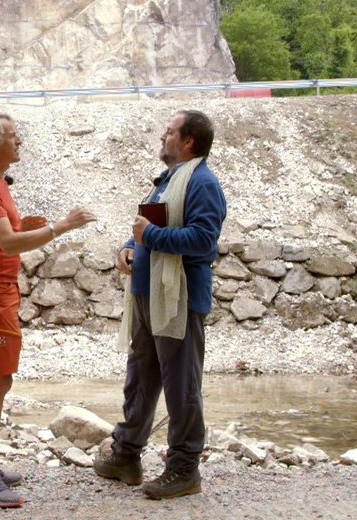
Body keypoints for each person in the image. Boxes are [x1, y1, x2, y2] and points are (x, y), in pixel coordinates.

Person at [0, 112, 96, 508]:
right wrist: (60, 227)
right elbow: (7, 244)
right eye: (12, 135)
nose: (19, 140)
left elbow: (3, 233)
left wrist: (24, 226)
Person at [94, 110, 226, 500]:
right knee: (143, 375)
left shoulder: (203, 183)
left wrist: (148, 234)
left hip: (179, 299)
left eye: (169, 132)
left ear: (188, 141)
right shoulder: (167, 183)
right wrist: (128, 248)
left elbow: (203, 240)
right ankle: (126, 455)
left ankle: (184, 468)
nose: (162, 137)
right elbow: (146, 231)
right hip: (149, 294)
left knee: (181, 383)